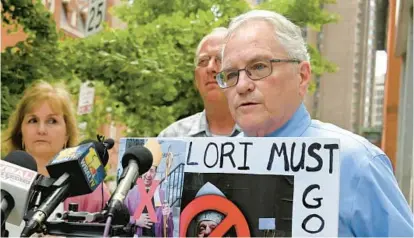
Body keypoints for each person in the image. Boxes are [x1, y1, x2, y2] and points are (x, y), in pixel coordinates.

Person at [215, 10, 414, 237]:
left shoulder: (356, 163)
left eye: (259, 66)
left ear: (302, 76)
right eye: (231, 74)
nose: (242, 85)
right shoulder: (210, 163)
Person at [3, 80, 110, 236]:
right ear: (21, 132)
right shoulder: (3, 178)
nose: (41, 130)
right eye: (33, 120)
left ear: (67, 133)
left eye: (52, 121)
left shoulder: (91, 190)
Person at [158, 27, 240, 137]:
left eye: (220, 59)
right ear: (196, 78)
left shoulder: (262, 134)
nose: (210, 68)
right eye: (203, 61)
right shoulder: (171, 138)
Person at [124, 138, 174, 237]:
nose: (148, 175)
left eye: (152, 170)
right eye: (146, 170)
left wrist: (167, 217)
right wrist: (135, 220)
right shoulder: (130, 193)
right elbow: (119, 220)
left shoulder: (162, 195)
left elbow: (168, 231)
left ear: (156, 172)